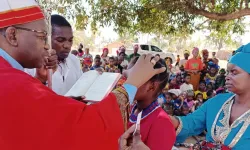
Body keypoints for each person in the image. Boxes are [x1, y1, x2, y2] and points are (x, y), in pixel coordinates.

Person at [0, 2, 167, 149]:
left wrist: (41, 81)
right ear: (12, 36)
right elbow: (82, 127)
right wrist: (131, 84)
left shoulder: (15, 76)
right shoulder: (12, 83)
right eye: (43, 37)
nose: (46, 46)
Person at [171, 43, 250, 149]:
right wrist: (169, 121)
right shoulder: (217, 101)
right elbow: (191, 122)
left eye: (234, 72)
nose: (227, 77)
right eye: (227, 72)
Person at [25, 14, 83, 95]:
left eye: (70, 40)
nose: (67, 45)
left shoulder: (75, 61)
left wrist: (95, 76)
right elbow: (27, 97)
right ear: (46, 38)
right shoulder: (30, 65)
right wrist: (40, 79)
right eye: (60, 40)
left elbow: (82, 88)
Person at [128, 60, 176, 150]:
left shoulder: (162, 123)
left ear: (152, 86)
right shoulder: (127, 109)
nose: (127, 82)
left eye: (134, 78)